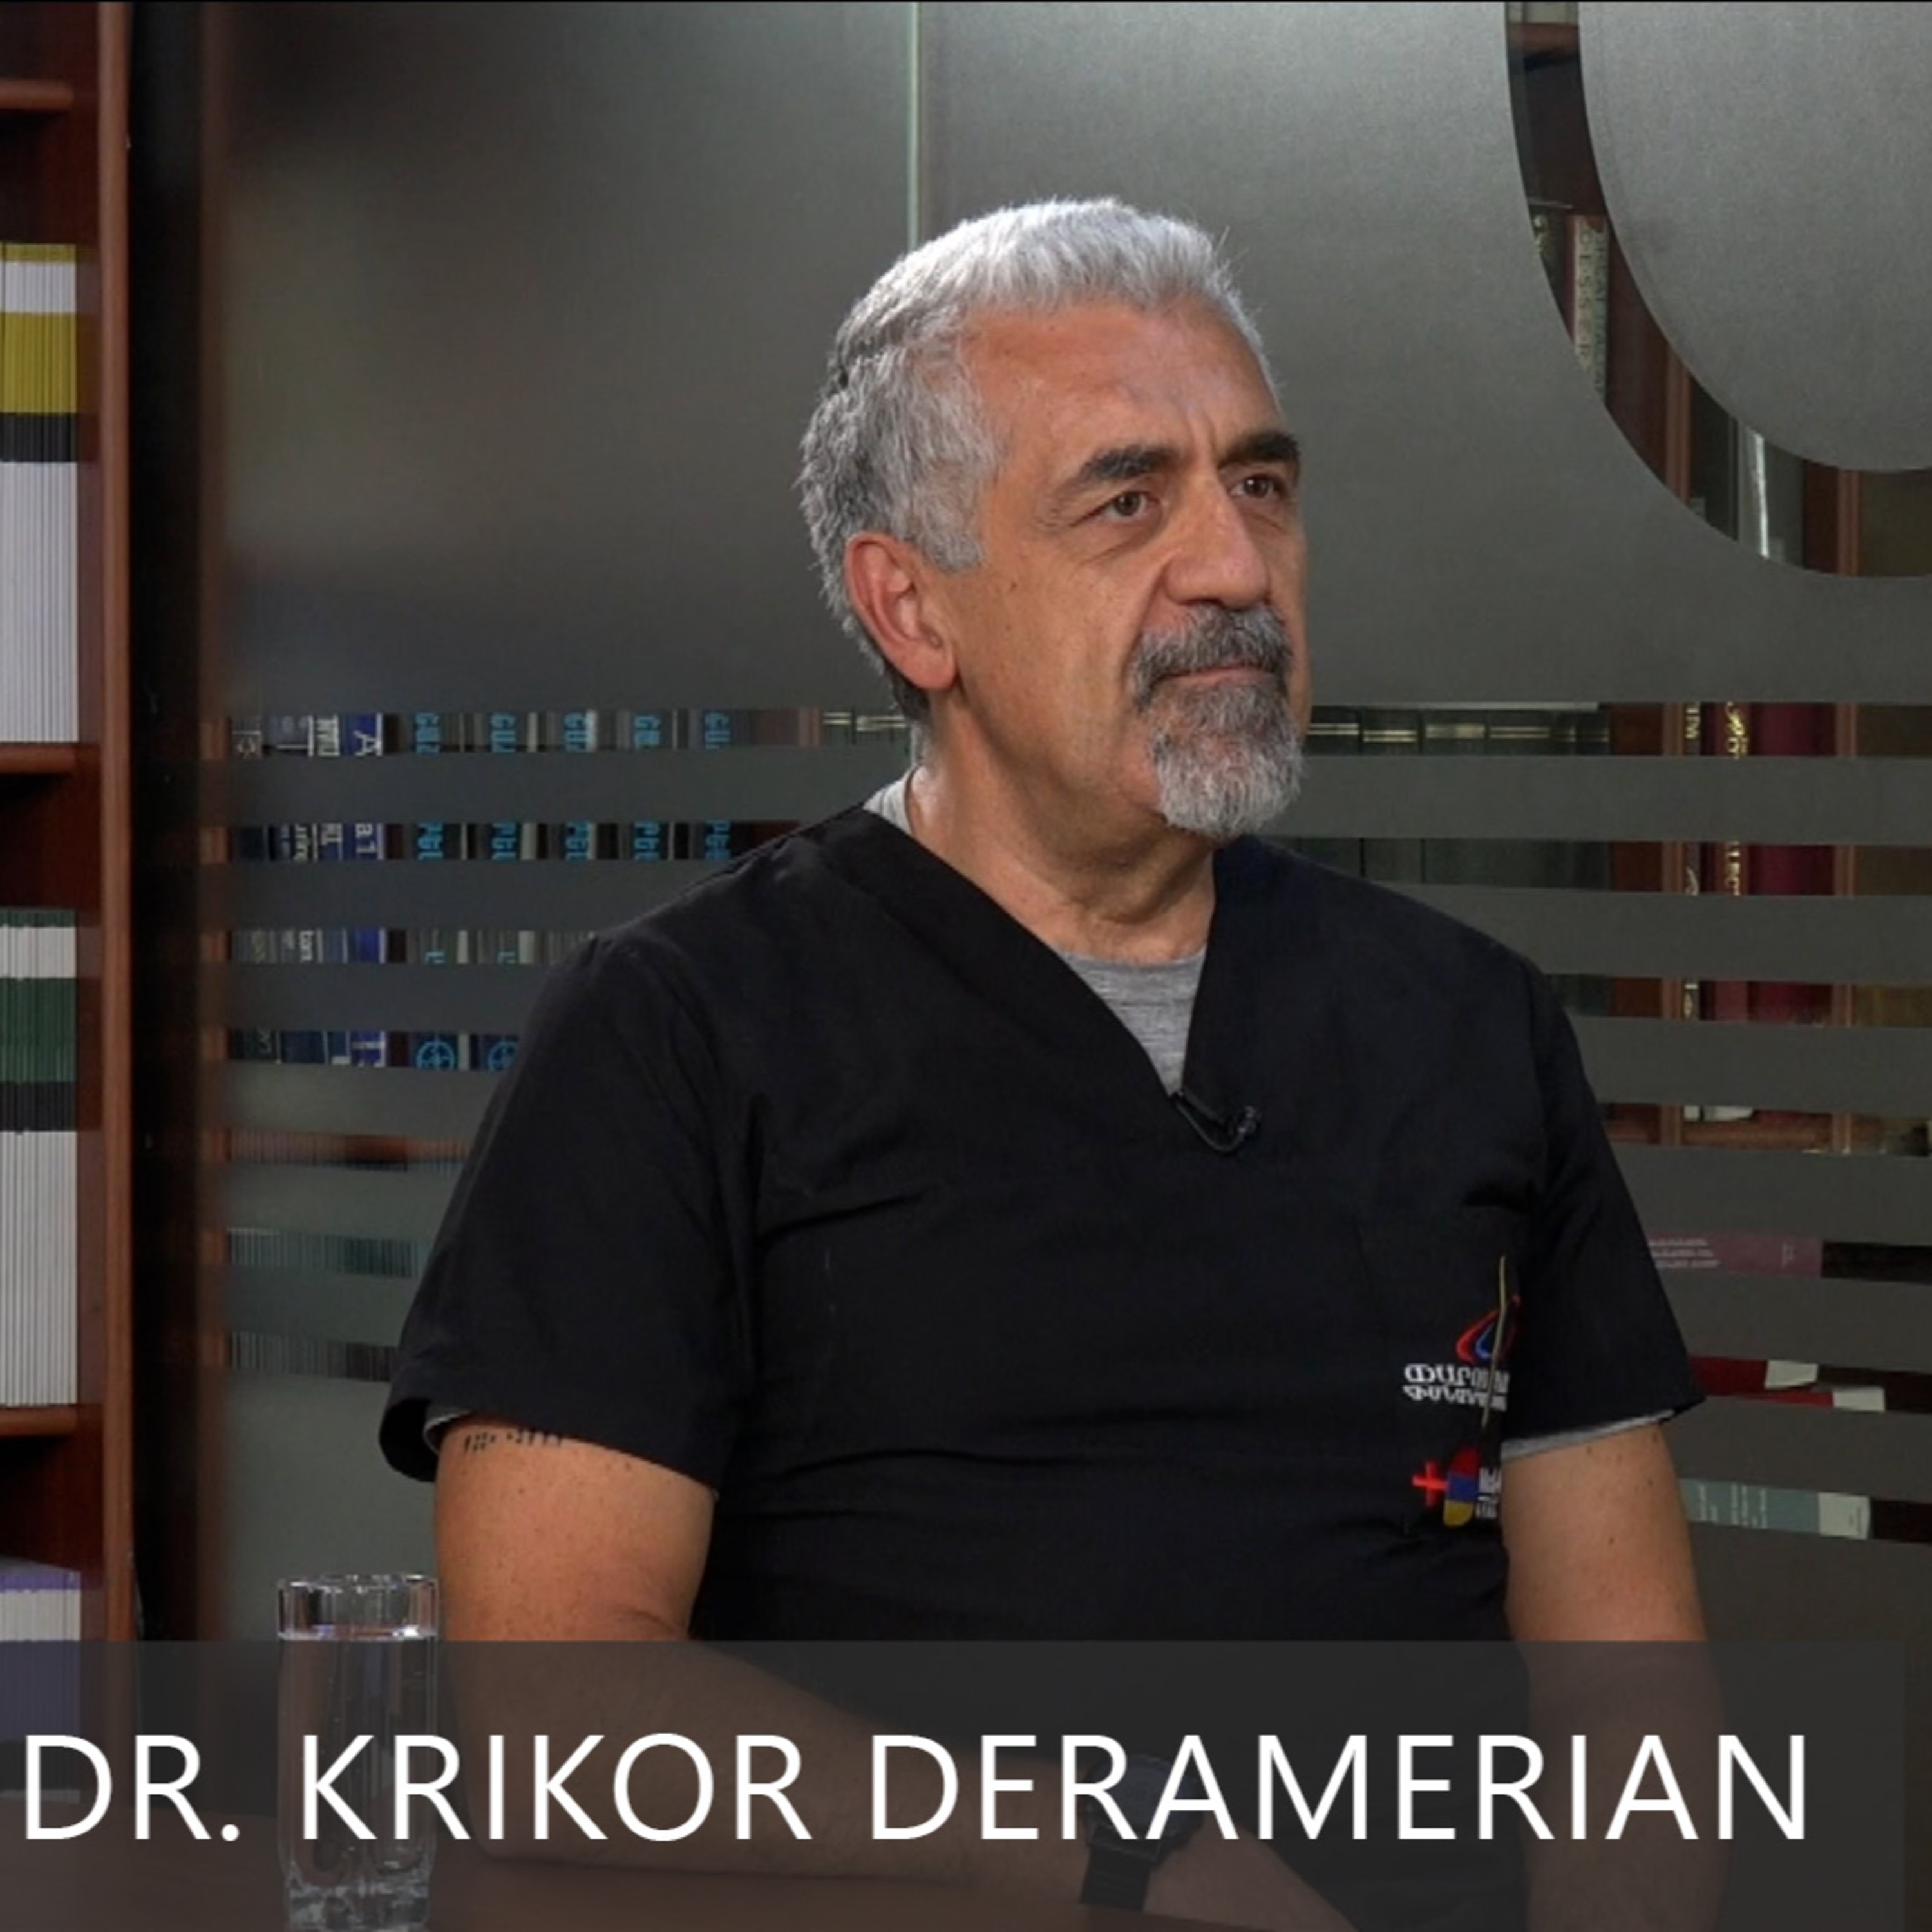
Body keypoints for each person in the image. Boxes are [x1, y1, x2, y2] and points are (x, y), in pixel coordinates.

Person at [380, 200, 1709, 1925]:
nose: (1235, 569)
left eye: (1261, 486)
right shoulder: (677, 1033)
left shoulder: (1471, 1027)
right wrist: (1118, 1875)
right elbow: (551, 1712)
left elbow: (1632, 1730)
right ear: (913, 610)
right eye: (1128, 501)